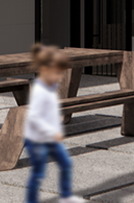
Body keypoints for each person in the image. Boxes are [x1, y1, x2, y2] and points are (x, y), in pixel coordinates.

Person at [24, 44, 86, 203]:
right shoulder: (40, 91)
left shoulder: (51, 87)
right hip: (37, 140)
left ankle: (66, 196)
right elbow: (35, 118)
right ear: (45, 69)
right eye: (57, 73)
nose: (60, 77)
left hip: (51, 139)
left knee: (66, 164)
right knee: (38, 173)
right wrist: (52, 131)